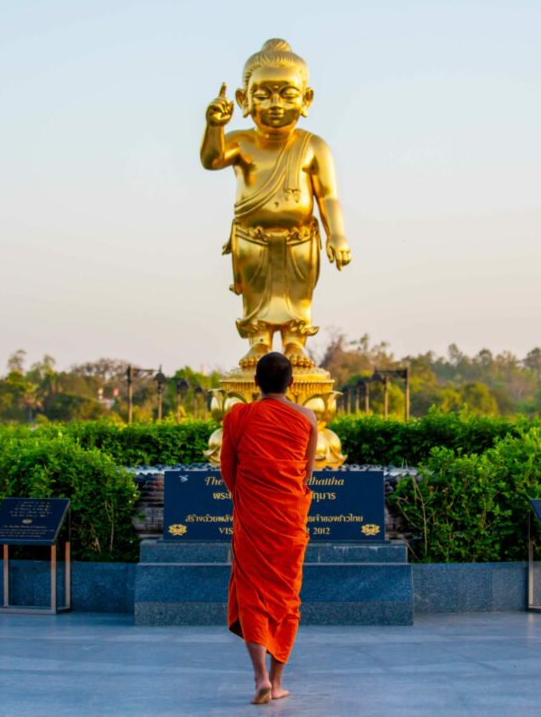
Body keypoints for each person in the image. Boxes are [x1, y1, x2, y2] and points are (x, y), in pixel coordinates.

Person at [201, 38, 352, 371]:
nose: (275, 104)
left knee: (298, 293)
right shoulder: (241, 141)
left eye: (287, 94)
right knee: (255, 292)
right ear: (243, 99)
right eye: (263, 94)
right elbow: (211, 160)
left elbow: (328, 196)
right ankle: (259, 340)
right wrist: (215, 126)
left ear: (306, 99)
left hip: (300, 238)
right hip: (251, 238)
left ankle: (296, 339)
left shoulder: (313, 146)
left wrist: (337, 235)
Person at [219, 351, 318, 704]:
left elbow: (227, 469)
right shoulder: (307, 418)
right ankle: (276, 683)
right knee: (286, 597)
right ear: (292, 383)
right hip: (289, 520)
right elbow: (306, 473)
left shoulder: (239, 416)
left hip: (253, 519)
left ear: (255, 382)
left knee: (251, 591)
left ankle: (259, 676)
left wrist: (246, 497)